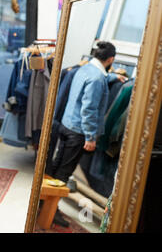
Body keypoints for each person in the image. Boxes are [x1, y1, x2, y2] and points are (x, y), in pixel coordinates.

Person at [50, 41, 126, 226]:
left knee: (57, 167)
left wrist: (113, 77)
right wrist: (91, 137)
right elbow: (89, 109)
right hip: (79, 131)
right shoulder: (97, 79)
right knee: (64, 172)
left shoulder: (84, 69)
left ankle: (47, 205)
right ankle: (51, 211)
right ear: (111, 59)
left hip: (67, 125)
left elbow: (95, 83)